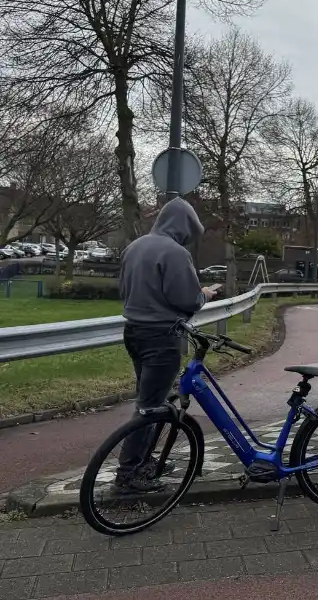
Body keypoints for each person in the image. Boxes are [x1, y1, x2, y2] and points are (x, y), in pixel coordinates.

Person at [116, 198, 219, 493]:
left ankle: (143, 461)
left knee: (150, 400)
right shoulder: (175, 253)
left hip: (133, 331)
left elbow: (124, 288)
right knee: (149, 408)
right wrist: (205, 294)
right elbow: (187, 300)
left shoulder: (134, 247)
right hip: (162, 336)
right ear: (184, 227)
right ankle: (128, 475)